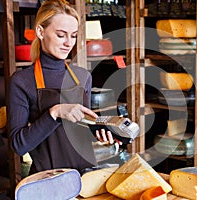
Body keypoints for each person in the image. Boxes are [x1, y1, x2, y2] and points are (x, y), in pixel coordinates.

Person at [8, 0, 118, 174]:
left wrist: (102, 131)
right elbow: (18, 145)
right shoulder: (22, 81)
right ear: (40, 31)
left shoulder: (83, 76)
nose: (69, 43)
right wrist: (55, 112)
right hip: (48, 180)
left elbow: (82, 127)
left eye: (73, 35)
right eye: (61, 35)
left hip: (84, 178)